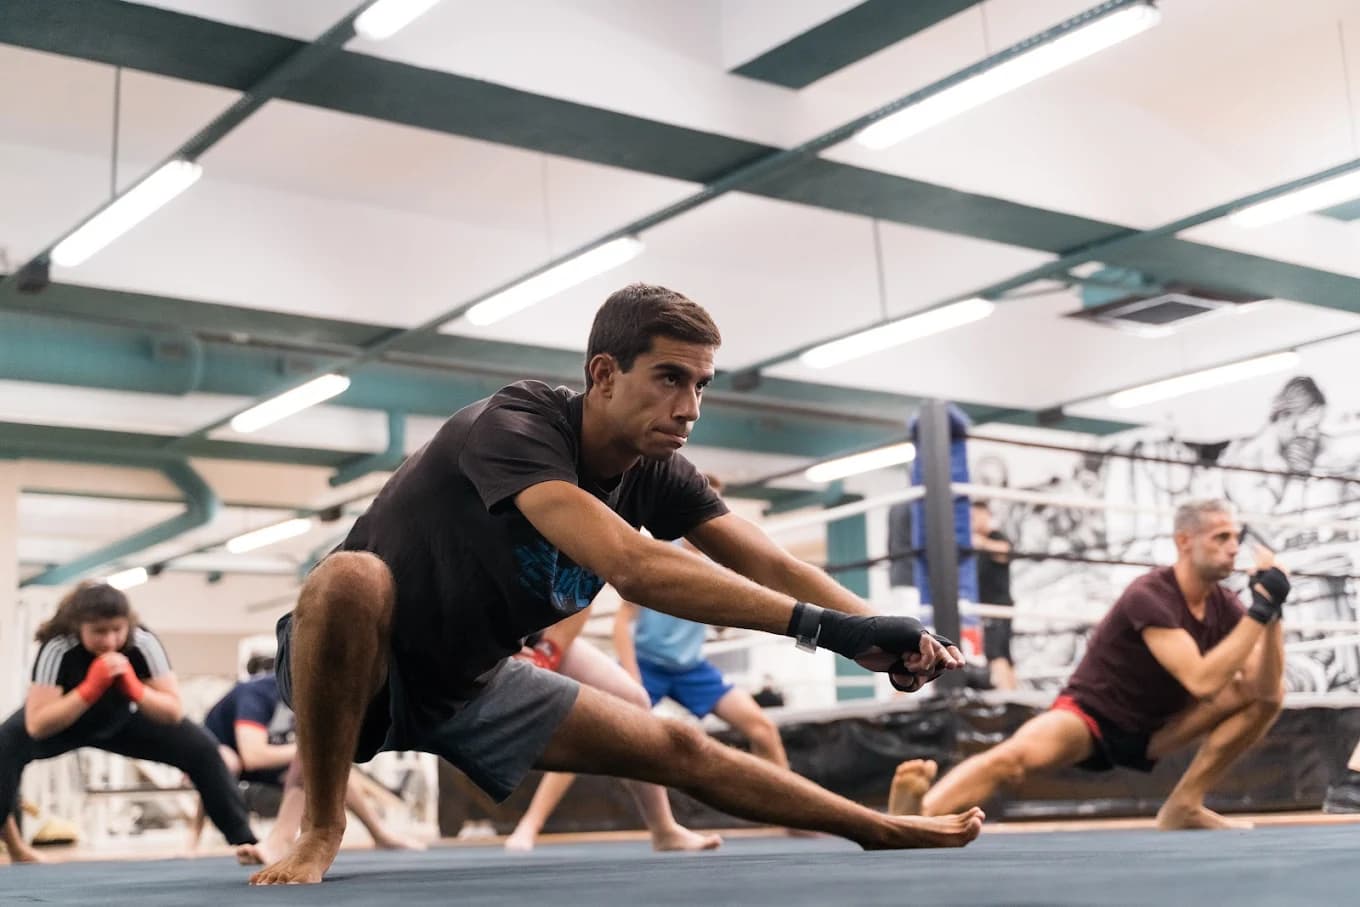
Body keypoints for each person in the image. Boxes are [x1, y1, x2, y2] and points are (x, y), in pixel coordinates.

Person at [253, 282, 980, 886]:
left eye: (700, 385)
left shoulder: (659, 472)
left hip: (469, 683)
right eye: (670, 378)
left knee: (681, 746)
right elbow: (631, 564)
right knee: (348, 578)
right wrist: (832, 631)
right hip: (359, 658)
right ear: (604, 374)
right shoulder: (518, 426)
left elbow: (774, 563)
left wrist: (886, 628)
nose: (690, 407)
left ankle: (879, 828)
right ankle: (322, 826)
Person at [889, 499, 1289, 831]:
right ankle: (912, 822)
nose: (1234, 547)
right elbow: (1202, 681)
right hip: (1093, 719)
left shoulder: (1226, 606)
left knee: (1265, 697)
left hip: (1156, 732)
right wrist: (1260, 610)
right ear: (1184, 541)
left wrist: (1271, 612)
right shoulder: (1150, 594)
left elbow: (1267, 690)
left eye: (1235, 537)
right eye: (1221, 537)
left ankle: (1184, 805)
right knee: (1010, 761)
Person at [0, 582, 265, 865]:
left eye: (117, 629)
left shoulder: (141, 641)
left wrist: (134, 687)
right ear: (79, 627)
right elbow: (37, 725)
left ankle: (246, 842)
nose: (110, 641)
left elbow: (172, 711)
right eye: (99, 632)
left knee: (202, 750)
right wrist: (90, 688)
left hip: (125, 719)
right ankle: (15, 846)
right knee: (5, 745)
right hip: (67, 721)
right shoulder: (58, 646)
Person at [504, 603, 722, 852]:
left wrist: (547, 653)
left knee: (633, 701)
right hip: (475, 639)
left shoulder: (575, 572)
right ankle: (530, 823)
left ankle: (664, 828)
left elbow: (579, 603)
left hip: (533, 638)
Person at [189, 656, 422, 861]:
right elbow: (253, 756)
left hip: (268, 760)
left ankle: (379, 833)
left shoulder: (312, 695)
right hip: (226, 755)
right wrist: (316, 747)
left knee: (327, 763)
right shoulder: (257, 694)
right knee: (231, 760)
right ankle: (200, 839)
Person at [971, 500, 1017, 691]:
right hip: (988, 609)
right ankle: (1014, 697)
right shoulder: (972, 549)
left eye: (978, 516)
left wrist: (981, 542)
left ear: (987, 516)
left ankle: (1009, 700)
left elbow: (1005, 551)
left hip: (997, 607)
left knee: (995, 653)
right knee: (1003, 655)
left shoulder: (995, 537)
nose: (975, 521)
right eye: (972, 517)